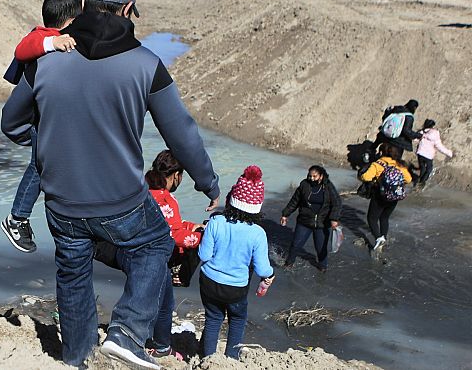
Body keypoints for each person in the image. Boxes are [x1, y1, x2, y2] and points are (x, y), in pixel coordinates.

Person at [2, 0, 220, 369]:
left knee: (72, 276)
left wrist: (52, 144)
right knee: (156, 243)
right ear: (129, 9)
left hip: (62, 205)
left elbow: (11, 124)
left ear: (85, 6)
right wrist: (208, 182)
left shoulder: (48, 57)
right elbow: (182, 134)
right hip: (120, 202)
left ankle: (77, 358)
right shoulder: (145, 63)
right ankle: (127, 332)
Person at [0, 0, 81, 253]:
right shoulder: (45, 38)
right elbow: (22, 48)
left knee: (45, 167)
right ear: (70, 21)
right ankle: (17, 218)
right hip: (42, 123)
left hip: (49, 121)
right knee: (38, 167)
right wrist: (52, 43)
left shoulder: (63, 37)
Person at [199, 165, 274, 360]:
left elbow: (204, 255)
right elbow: (262, 269)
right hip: (236, 288)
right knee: (238, 319)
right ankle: (231, 358)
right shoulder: (258, 233)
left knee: (213, 319)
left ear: (232, 200)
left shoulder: (215, 222)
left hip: (209, 282)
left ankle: (208, 359)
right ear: (257, 207)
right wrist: (270, 276)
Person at [145, 150, 205, 286]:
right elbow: (175, 235)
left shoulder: (144, 190)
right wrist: (203, 237)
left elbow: (165, 223)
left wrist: (190, 227)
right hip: (156, 258)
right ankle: (179, 276)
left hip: (139, 248)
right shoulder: (167, 199)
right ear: (176, 175)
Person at [280, 165, 342, 272]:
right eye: (310, 176)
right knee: (296, 244)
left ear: (321, 176)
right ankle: (289, 263)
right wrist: (285, 214)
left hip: (322, 223)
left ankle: (323, 267)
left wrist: (334, 219)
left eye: (314, 176)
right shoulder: (304, 185)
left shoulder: (328, 187)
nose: (312, 178)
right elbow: (294, 201)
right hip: (304, 221)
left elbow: (337, 203)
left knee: (321, 249)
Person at [360, 143, 412, 252]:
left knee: (372, 218)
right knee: (384, 218)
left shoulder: (378, 164)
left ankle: (379, 238)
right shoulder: (399, 164)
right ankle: (384, 237)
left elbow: (366, 177)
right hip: (394, 196)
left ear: (382, 152)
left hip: (380, 195)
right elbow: (409, 179)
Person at [415, 119, 453, 186]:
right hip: (428, 155)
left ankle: (419, 181)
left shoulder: (421, 132)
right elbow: (439, 146)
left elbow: (415, 139)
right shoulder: (435, 133)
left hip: (420, 153)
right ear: (432, 126)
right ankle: (421, 183)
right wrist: (449, 153)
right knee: (429, 169)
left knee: (422, 168)